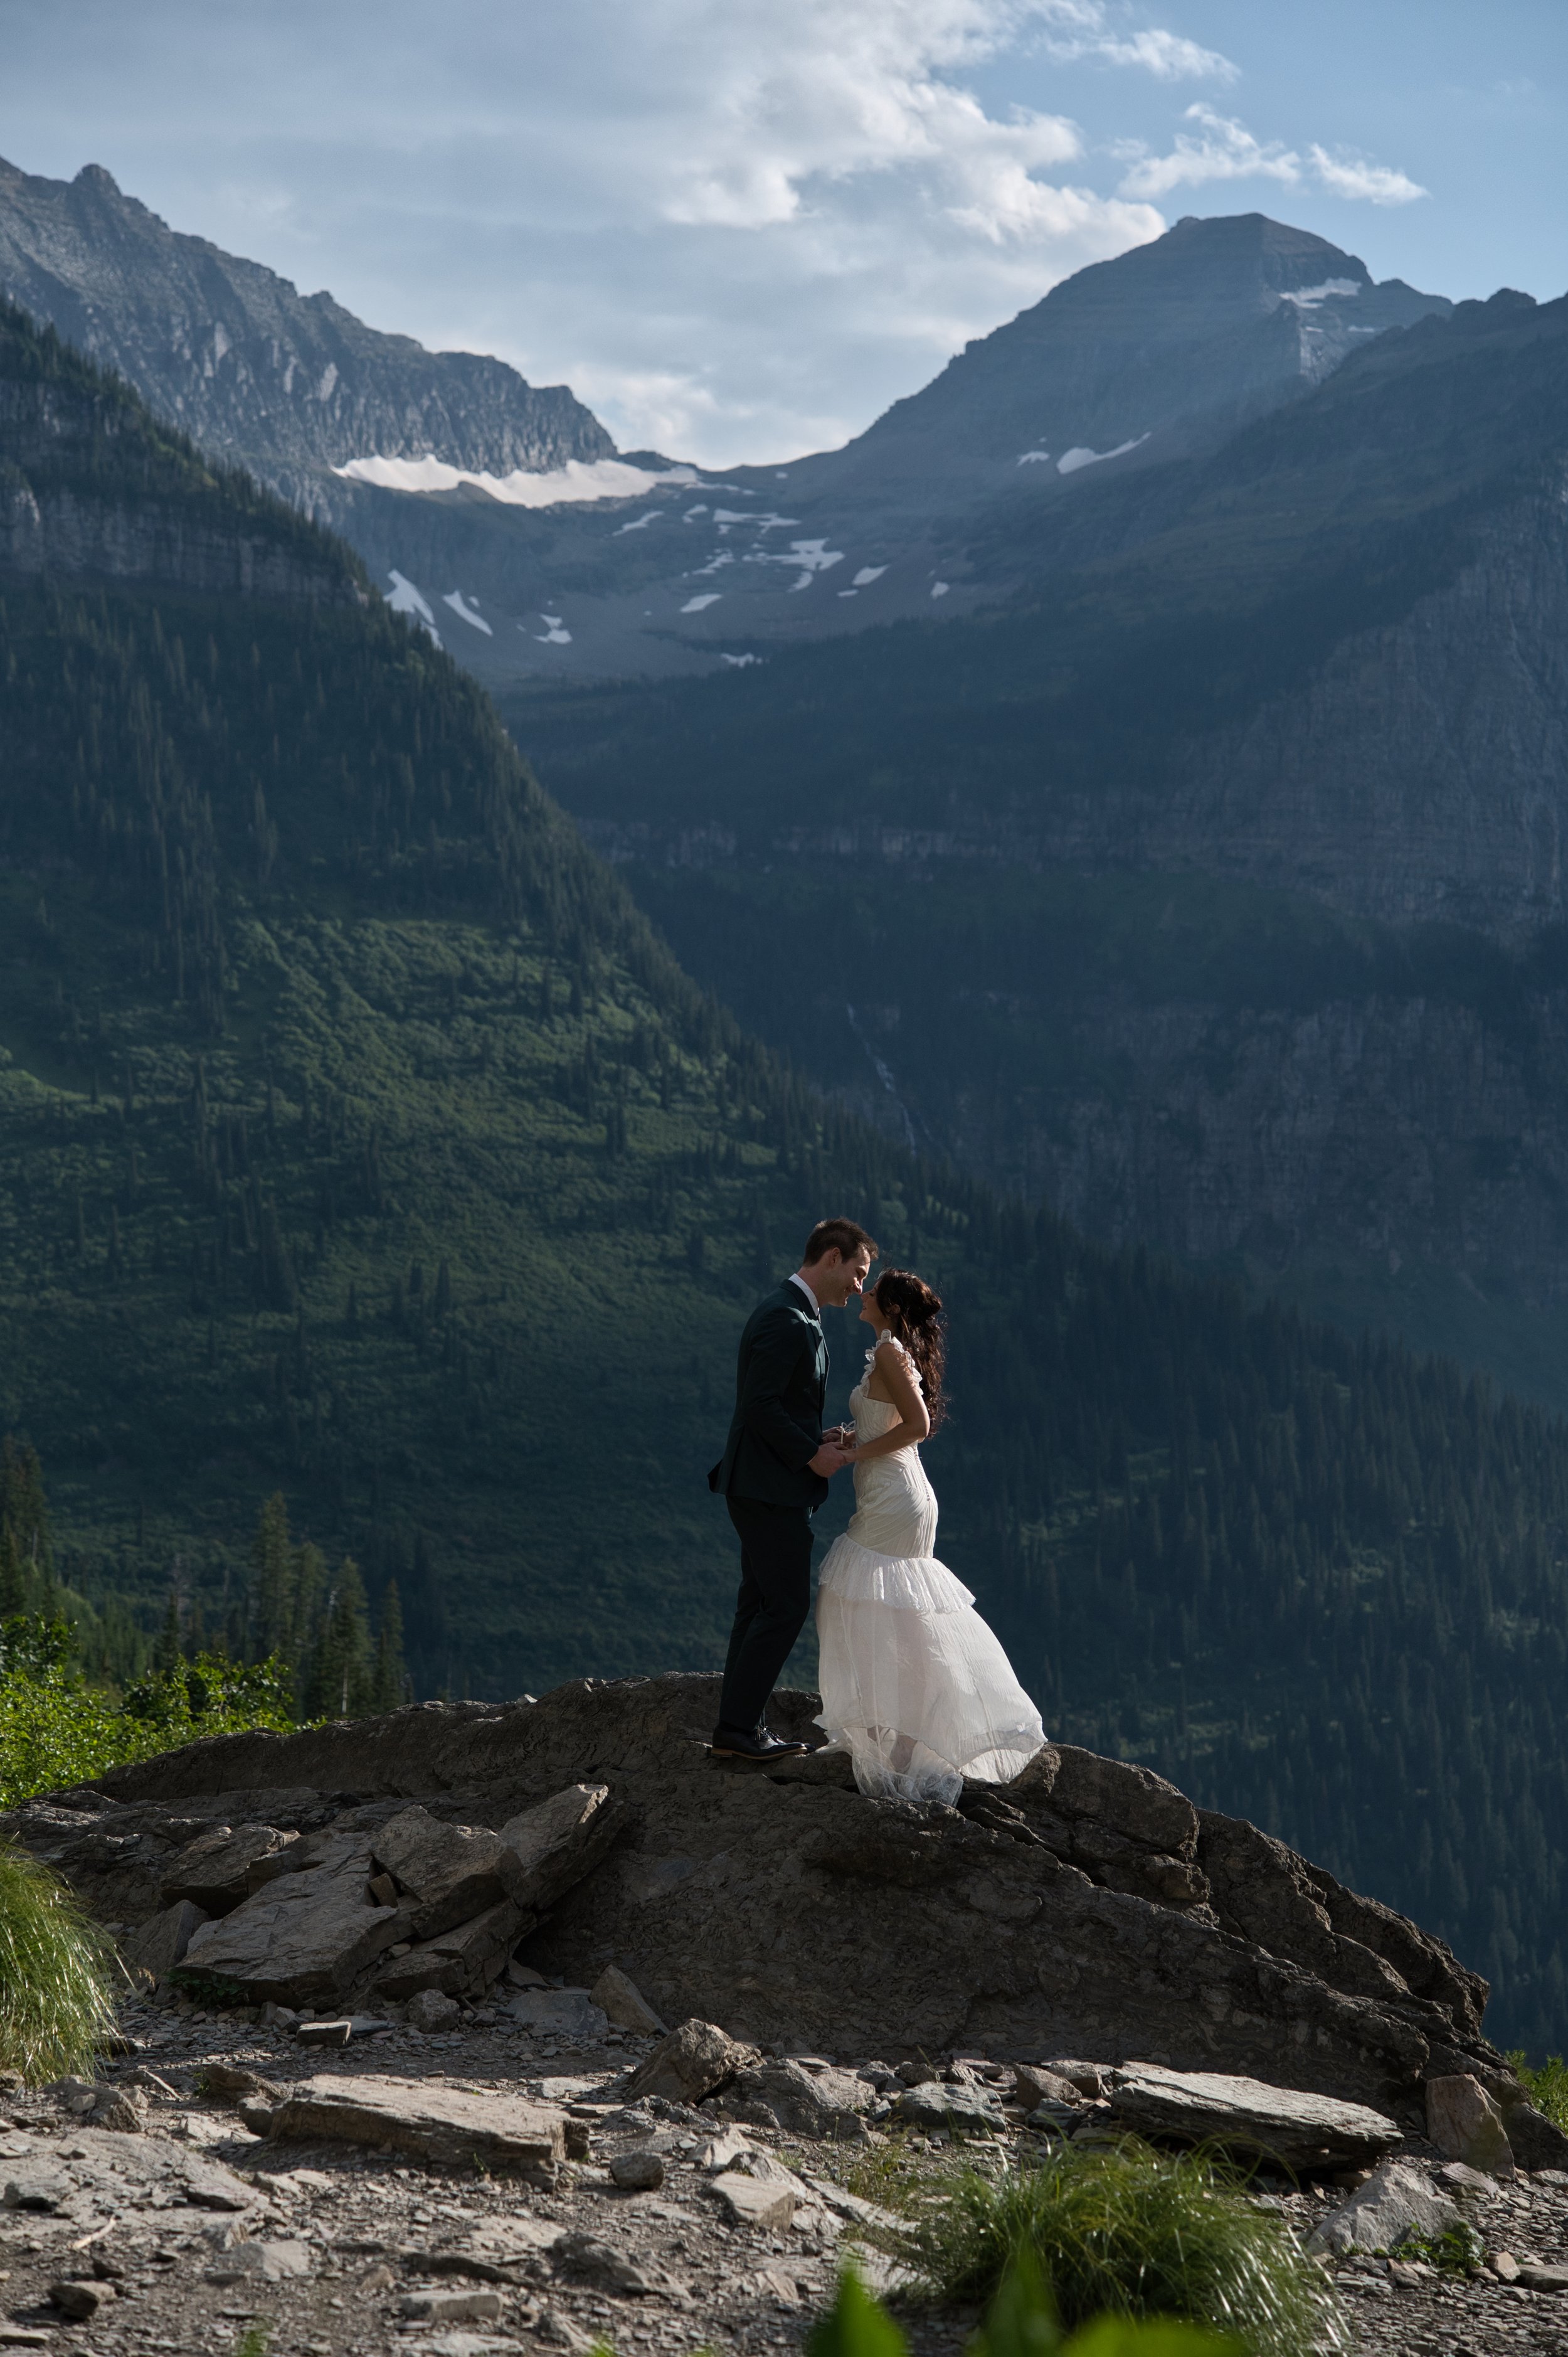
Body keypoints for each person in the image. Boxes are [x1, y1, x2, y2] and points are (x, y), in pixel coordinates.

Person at [814, 1267, 1046, 1803]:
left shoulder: (892, 1353)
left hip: (895, 1494)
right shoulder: (889, 1351)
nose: (863, 1295)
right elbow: (890, 1419)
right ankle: (896, 1736)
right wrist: (851, 1433)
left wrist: (851, 1455)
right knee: (895, 1613)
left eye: (874, 1291)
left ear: (892, 1308)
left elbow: (916, 1426)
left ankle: (892, 1741)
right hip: (897, 1491)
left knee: (854, 1599)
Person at [708, 1216, 877, 1760]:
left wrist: (817, 1435)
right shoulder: (787, 1317)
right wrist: (811, 1453)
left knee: (758, 1603)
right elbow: (759, 1405)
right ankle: (738, 1731)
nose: (860, 1286)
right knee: (784, 1605)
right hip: (770, 1488)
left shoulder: (795, 1311)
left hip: (761, 1482)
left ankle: (739, 1728)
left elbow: (778, 1403)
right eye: (858, 1271)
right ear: (832, 1256)